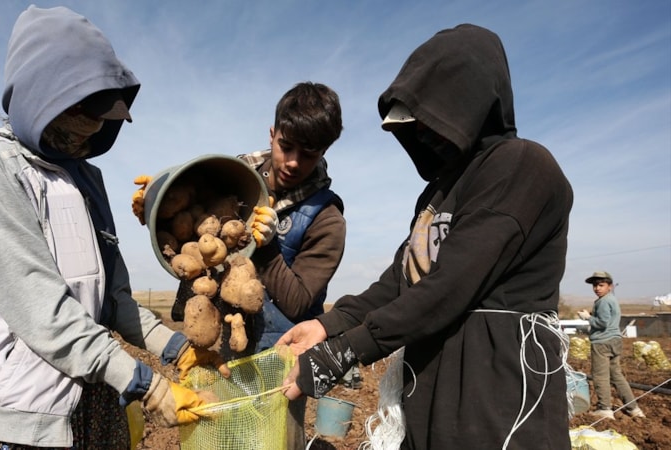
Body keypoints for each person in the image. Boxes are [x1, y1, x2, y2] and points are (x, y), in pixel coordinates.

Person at [0, 6, 227, 449]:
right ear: (39, 93)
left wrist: (175, 347)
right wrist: (148, 385)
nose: (87, 132)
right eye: (79, 112)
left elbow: (114, 299)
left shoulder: (86, 179)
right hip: (9, 418)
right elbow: (41, 309)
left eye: (98, 119)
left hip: (88, 406)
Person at [278, 24, 575, 450]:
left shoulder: (522, 166)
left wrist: (342, 354)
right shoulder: (438, 192)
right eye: (415, 129)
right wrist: (328, 327)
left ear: (472, 103)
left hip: (496, 394)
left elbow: (449, 287)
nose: (424, 138)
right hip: (432, 384)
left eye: (433, 123)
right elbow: (399, 282)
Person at [133, 81, 347, 450]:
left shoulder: (326, 219)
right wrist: (159, 204)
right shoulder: (234, 178)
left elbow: (298, 303)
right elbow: (193, 239)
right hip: (216, 353)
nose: (293, 162)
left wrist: (265, 249)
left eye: (308, 154)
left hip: (277, 367)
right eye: (286, 146)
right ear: (272, 133)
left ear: (325, 151)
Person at [578, 271, 646, 420]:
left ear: (610, 286)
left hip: (602, 342)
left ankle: (605, 409)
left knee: (600, 376)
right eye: (595, 285)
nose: (597, 288)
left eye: (601, 285)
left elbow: (602, 323)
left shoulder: (603, 301)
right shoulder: (612, 300)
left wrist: (588, 317)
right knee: (616, 375)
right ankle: (633, 408)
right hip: (615, 340)